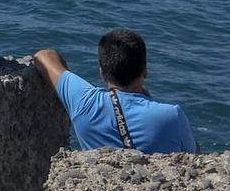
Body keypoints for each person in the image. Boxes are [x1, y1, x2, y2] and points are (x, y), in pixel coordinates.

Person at [32, 30, 199, 153]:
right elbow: (194, 157)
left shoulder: (84, 103)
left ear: (102, 73)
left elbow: (44, 56)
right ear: (145, 71)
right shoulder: (172, 116)